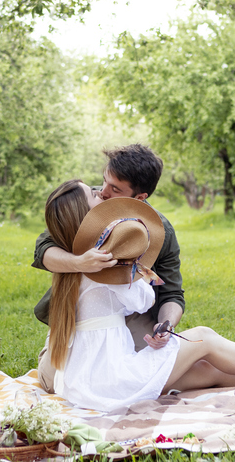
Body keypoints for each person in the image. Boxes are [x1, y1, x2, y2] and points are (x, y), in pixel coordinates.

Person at [43, 180, 235, 412]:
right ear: (84, 215)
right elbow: (144, 301)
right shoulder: (103, 265)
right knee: (203, 338)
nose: (101, 192)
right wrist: (140, 271)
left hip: (89, 382)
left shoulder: (71, 264)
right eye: (95, 194)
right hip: (111, 382)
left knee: (207, 371)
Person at [32, 144, 184, 393]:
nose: (102, 192)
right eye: (104, 181)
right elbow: (44, 247)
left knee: (152, 374)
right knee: (52, 381)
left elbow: (172, 293)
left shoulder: (161, 231)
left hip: (134, 312)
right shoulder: (88, 207)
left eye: (114, 189)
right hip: (83, 312)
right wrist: (80, 263)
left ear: (139, 198)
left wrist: (166, 325)